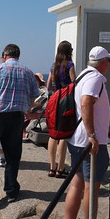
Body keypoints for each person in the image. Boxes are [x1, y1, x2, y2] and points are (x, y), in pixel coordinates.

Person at [62, 46, 110, 219]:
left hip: (77, 139)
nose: (109, 63)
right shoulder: (96, 78)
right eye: (108, 60)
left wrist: (105, 126)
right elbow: (86, 103)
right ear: (102, 62)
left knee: (77, 185)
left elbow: (90, 107)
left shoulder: (83, 75)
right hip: (90, 142)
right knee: (91, 188)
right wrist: (93, 134)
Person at [0, 43, 39, 203]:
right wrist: (27, 110)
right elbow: (33, 96)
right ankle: (11, 191)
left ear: (4, 56)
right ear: (18, 55)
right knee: (13, 154)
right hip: (17, 117)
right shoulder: (27, 72)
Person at [47, 40, 77, 178]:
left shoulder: (54, 66)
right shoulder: (69, 65)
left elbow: (48, 86)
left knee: (53, 134)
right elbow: (74, 83)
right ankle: (60, 168)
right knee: (63, 135)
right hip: (65, 102)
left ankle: (51, 167)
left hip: (53, 101)